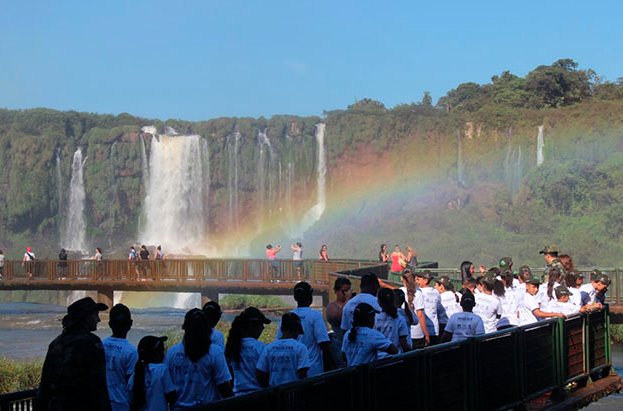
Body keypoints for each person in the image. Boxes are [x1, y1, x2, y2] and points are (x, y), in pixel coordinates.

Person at [34, 297, 111, 411]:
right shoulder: (92, 342)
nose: (98, 320)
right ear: (86, 318)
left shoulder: (56, 343)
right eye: (95, 315)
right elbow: (98, 384)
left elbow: (45, 384)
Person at [164, 309, 233, 409]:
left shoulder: (172, 352)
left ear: (184, 328)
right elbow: (224, 388)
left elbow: (168, 391)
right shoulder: (215, 352)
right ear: (208, 329)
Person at [275, 282, 334, 376]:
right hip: (313, 371)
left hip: (292, 373)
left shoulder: (288, 317)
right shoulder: (315, 315)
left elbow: (279, 343)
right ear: (310, 296)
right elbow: (325, 345)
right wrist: (330, 371)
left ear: (295, 298)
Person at [225, 307, 270, 395]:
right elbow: (263, 374)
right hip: (258, 396)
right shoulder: (262, 348)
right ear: (251, 326)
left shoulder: (232, 347)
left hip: (237, 397)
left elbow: (230, 376)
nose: (263, 328)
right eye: (261, 324)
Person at [257, 313, 310, 387]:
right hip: (294, 392)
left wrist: (268, 388)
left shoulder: (268, 348)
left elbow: (260, 373)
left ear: (281, 329)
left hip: (275, 394)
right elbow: (303, 374)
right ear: (297, 329)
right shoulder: (300, 348)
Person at [103, 304, 139, 411]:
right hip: (122, 405)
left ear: (110, 324)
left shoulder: (100, 345)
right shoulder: (131, 352)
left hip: (102, 403)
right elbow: (132, 385)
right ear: (130, 324)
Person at [130, 335, 176, 411]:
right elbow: (171, 398)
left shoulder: (134, 375)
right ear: (157, 354)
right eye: (163, 351)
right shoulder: (162, 369)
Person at [374, 288, 411, 357]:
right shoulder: (400, 319)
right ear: (393, 301)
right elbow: (404, 344)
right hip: (395, 359)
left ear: (379, 302)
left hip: (377, 360)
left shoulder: (374, 319)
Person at [326, 277, 352, 368]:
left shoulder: (352, 304)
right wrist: (348, 301)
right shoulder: (332, 306)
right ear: (336, 291)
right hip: (338, 342)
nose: (346, 294)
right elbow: (338, 318)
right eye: (344, 291)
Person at [413, 270, 441, 346]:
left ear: (425, 281)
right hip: (434, 330)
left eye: (418, 279)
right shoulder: (436, 292)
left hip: (422, 331)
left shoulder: (418, 292)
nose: (416, 281)